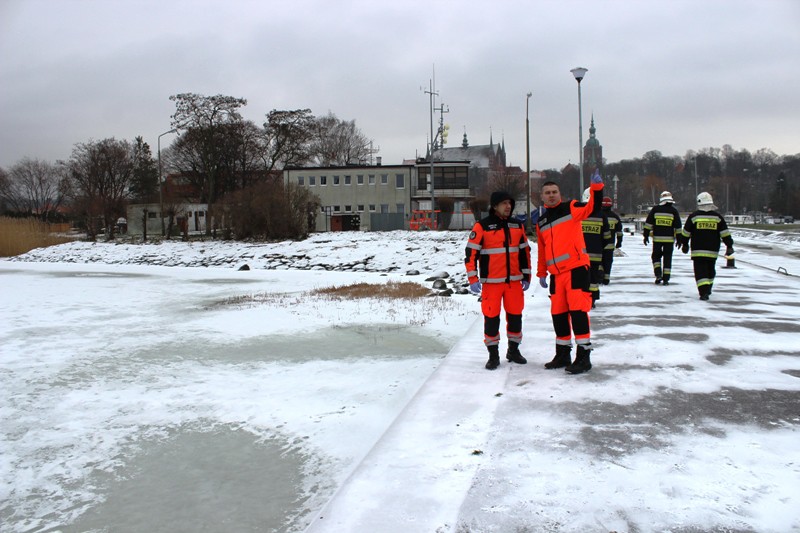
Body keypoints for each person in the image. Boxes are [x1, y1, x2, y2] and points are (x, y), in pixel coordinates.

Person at [536, 170, 604, 374]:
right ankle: (563, 354)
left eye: (554, 191)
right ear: (542, 196)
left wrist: (596, 189)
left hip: (576, 270)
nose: (551, 195)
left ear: (560, 193)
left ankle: (583, 357)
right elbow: (542, 249)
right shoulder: (541, 222)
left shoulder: (572, 208)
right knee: (558, 315)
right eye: (547, 192)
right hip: (556, 275)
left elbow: (593, 207)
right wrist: (541, 272)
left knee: (578, 313)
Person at [465, 191, 532, 370]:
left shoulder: (518, 226)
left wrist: (527, 276)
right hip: (491, 284)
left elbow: (525, 252)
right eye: (504, 203)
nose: (508, 206)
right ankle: (493, 355)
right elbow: (470, 254)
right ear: (495, 206)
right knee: (492, 318)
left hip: (514, 283)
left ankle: (513, 350)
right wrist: (473, 278)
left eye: (510, 203)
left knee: (515, 317)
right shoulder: (482, 226)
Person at [680, 192, 734, 300]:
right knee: (710, 270)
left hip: (698, 251)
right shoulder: (718, 218)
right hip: (712, 251)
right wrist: (729, 246)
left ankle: (703, 292)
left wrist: (684, 244)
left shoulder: (694, 217)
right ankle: (708, 287)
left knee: (700, 272)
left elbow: (686, 232)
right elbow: (725, 233)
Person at [580, 185, 611, 306]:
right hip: (596, 253)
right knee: (594, 277)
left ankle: (583, 298)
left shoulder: (578, 213)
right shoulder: (601, 215)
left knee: (582, 277)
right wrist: (599, 247)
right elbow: (607, 237)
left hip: (580, 255)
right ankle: (592, 300)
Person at [643, 191, 682, 285]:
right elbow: (678, 227)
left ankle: (658, 275)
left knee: (656, 257)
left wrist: (646, 235)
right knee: (668, 258)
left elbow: (648, 223)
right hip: (669, 240)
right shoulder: (674, 211)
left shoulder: (655, 210)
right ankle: (666, 279)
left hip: (657, 239)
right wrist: (679, 240)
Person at [601, 197, 623, 285]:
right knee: (608, 262)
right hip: (610, 245)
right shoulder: (615, 216)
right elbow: (619, 232)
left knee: (599, 261)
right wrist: (619, 242)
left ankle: (599, 276)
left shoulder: (598, 215)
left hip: (599, 245)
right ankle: (606, 278)